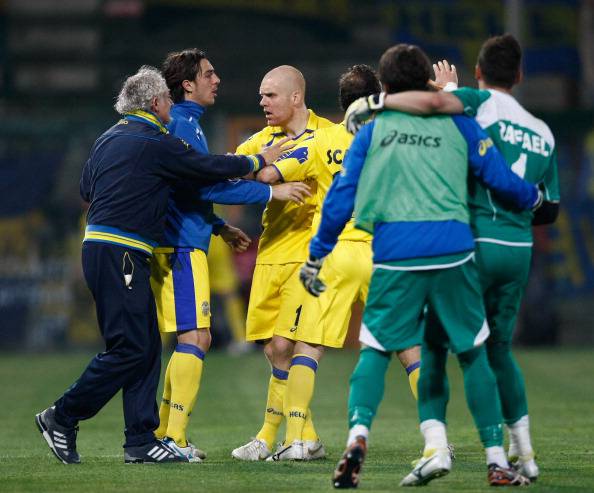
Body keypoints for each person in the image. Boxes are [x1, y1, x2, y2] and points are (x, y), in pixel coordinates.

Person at [299, 45, 540, 487]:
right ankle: (496, 459)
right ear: (426, 81)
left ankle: (357, 435)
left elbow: (341, 198)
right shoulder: (459, 122)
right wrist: (533, 198)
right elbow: (500, 178)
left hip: (395, 253)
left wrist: (317, 253)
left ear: (386, 86)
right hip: (453, 250)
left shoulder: (372, 130)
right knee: (472, 353)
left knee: (375, 351)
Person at [34, 65, 283, 465]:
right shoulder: (154, 140)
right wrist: (256, 161)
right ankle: (61, 416)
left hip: (104, 248)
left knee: (146, 345)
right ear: (155, 103)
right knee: (130, 347)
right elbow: (205, 168)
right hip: (122, 251)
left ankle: (140, 441)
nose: (171, 104)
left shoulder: (107, 137)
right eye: (167, 99)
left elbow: (86, 188)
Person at [151, 49, 310, 461]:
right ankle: (173, 439)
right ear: (188, 84)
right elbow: (206, 185)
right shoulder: (182, 124)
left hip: (184, 240)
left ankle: (165, 432)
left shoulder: (187, 123)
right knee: (195, 337)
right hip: (180, 246)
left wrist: (219, 226)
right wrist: (271, 192)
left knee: (192, 337)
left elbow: (189, 189)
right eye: (208, 74)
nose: (216, 79)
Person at [266, 65, 421, 462]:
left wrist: (259, 170)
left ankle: (297, 439)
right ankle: (436, 439)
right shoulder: (395, 138)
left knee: (308, 346)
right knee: (408, 347)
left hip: (333, 255)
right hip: (383, 252)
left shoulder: (320, 141)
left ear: (341, 102)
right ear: (377, 97)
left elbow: (270, 173)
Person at [231, 65, 334, 461]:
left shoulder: (328, 135)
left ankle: (274, 436)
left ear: (295, 97)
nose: (262, 102)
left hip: (309, 257)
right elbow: (227, 176)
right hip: (270, 253)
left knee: (287, 344)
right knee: (274, 351)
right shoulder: (261, 141)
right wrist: (267, 184)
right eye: (261, 95)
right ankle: (305, 436)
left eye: (270, 95)